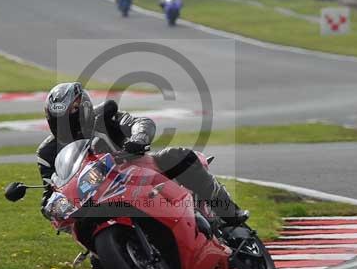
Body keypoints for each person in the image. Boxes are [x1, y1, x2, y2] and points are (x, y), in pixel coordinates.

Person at [36, 82, 249, 225]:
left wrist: (138, 139)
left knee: (179, 156)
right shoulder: (47, 153)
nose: (65, 125)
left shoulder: (104, 115)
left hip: (138, 170)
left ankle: (228, 210)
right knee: (98, 264)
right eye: (58, 120)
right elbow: (52, 189)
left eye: (70, 117)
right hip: (97, 199)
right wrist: (49, 206)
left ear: (84, 108)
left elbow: (140, 123)